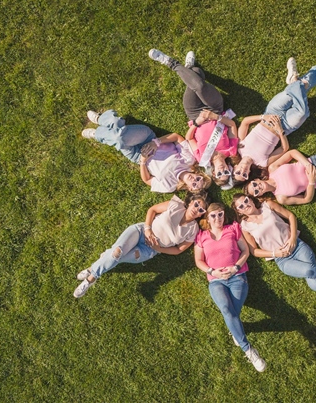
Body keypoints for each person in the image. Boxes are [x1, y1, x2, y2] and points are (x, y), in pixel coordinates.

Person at [232, 194, 316, 300]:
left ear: (249, 199)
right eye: (241, 206)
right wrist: (275, 254)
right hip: (282, 260)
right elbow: (254, 251)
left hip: (297, 247)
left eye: (245, 201)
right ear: (238, 211)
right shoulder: (245, 227)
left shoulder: (267, 206)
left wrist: (292, 239)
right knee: (314, 282)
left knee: (314, 282)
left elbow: (290, 216)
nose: (245, 205)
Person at [73, 194, 207, 298]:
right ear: (190, 203)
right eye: (196, 204)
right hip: (140, 231)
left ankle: (94, 266)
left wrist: (158, 249)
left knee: (116, 254)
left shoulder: (193, 230)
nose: (197, 209)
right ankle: (91, 279)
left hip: (148, 250)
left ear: (202, 214)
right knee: (117, 253)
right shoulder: (176, 205)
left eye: (201, 209)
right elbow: (153, 209)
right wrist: (148, 229)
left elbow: (179, 250)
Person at [232, 56, 316, 182]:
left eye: (238, 172)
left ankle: (305, 78)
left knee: (289, 95)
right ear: (249, 174)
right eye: (244, 175)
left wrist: (263, 117)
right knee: (302, 112)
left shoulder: (239, 147)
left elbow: (245, 122)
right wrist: (280, 131)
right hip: (285, 126)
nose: (242, 170)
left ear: (235, 167)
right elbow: (284, 149)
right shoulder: (262, 163)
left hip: (271, 113)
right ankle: (296, 81)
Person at [149, 49, 239, 187]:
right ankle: (171, 62)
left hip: (194, 114)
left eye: (219, 174)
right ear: (229, 169)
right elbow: (232, 125)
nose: (222, 171)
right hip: (215, 109)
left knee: (196, 78)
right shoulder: (231, 150)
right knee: (200, 85)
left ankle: (190, 69)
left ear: (214, 173)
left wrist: (197, 122)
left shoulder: (202, 158)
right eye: (226, 173)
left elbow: (189, 138)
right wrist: (215, 116)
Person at [194, 203, 266, 372]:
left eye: (220, 214)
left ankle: (236, 332)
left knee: (233, 313)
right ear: (208, 218)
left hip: (237, 277)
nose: (217, 218)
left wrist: (235, 267)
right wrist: (213, 271)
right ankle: (249, 350)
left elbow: (245, 251)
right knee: (227, 310)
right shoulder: (201, 236)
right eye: (213, 215)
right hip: (216, 281)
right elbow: (198, 261)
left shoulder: (233, 228)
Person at [82, 110, 211, 193]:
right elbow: (177, 137)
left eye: (194, 184)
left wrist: (143, 161)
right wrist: (156, 143)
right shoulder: (189, 160)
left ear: (189, 188)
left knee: (118, 138)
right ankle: (100, 123)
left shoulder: (169, 186)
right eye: (198, 178)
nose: (194, 179)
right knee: (119, 137)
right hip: (148, 138)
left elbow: (147, 180)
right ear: (198, 173)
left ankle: (100, 129)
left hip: (137, 155)